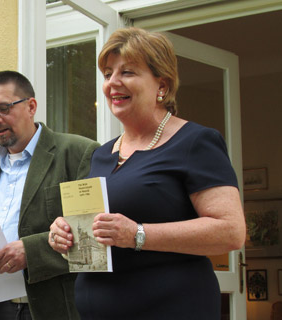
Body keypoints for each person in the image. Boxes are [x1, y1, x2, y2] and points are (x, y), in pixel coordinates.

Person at [48, 27, 246, 319]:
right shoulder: (102, 154)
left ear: (161, 85)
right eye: (107, 74)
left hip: (171, 307)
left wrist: (137, 234)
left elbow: (231, 232)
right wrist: (65, 236)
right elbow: (99, 231)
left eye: (127, 72)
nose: (112, 83)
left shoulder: (195, 142)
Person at [0, 71, 100, 320]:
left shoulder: (77, 153)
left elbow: (92, 243)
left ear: (31, 106)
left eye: (3, 108)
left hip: (51, 308)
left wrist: (31, 252)